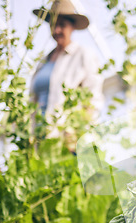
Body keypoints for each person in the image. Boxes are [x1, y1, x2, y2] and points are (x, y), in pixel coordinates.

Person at [30, 0, 104, 140]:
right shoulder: (43, 62)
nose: (56, 30)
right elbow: (33, 100)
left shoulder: (83, 55)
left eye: (62, 25)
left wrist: (76, 133)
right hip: (40, 139)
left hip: (67, 140)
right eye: (53, 25)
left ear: (73, 27)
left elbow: (93, 100)